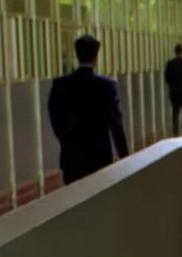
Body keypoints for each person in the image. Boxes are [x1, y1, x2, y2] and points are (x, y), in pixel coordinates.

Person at [47, 35, 129, 184]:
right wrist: (125, 156)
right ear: (96, 57)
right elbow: (116, 123)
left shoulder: (60, 85)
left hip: (72, 156)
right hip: (99, 155)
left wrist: (66, 141)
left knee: (74, 195)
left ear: (77, 55)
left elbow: (55, 118)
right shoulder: (107, 86)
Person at [164, 43, 182, 136]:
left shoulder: (170, 64)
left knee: (175, 113)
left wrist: (172, 86)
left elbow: (167, 78)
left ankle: (176, 131)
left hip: (175, 92)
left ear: (175, 52)